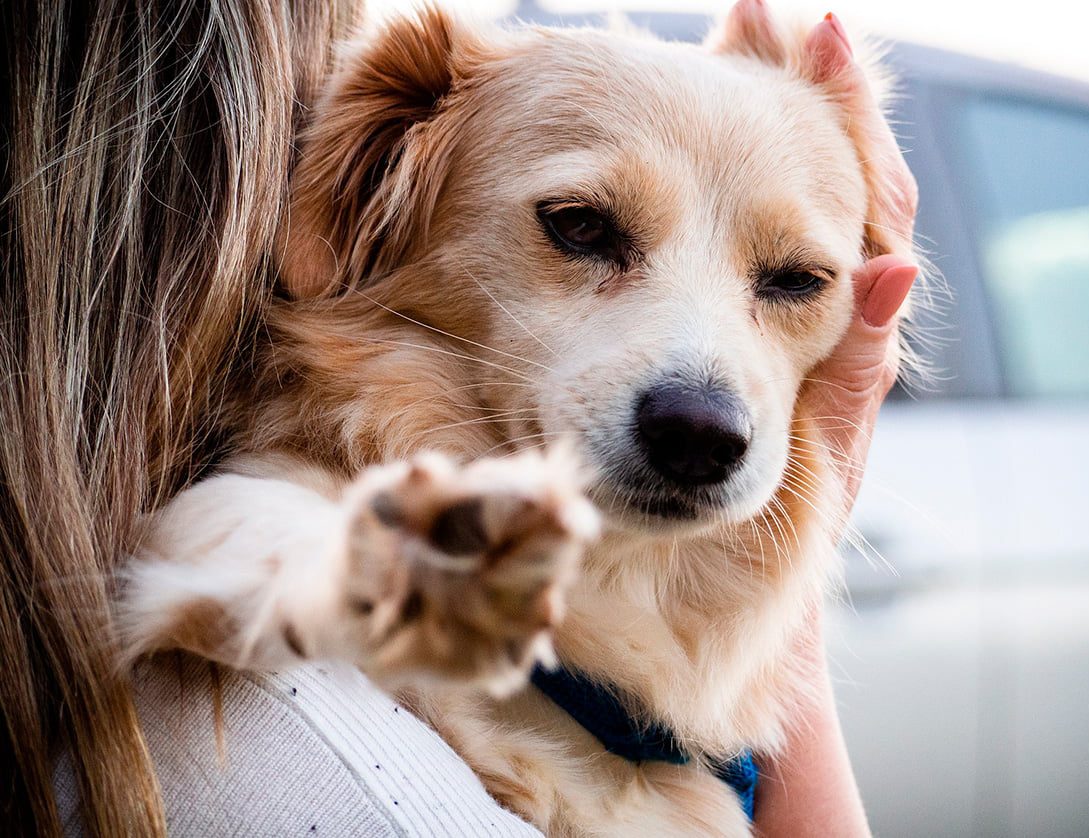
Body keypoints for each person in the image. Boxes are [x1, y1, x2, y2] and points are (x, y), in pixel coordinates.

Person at [1, 1, 917, 834]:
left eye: (794, 280)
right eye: (582, 227)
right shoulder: (293, 725)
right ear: (366, 183)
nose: (707, 404)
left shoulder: (692, 775)